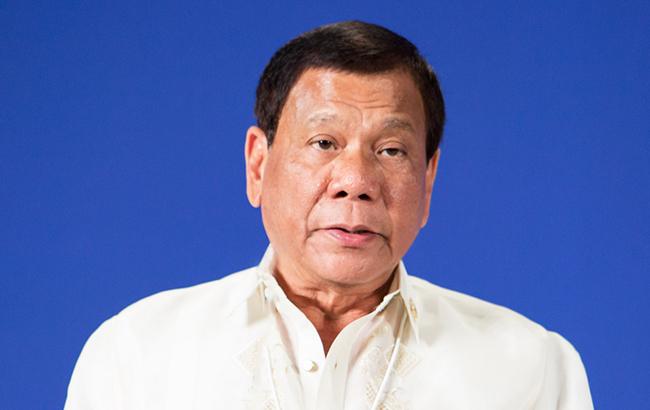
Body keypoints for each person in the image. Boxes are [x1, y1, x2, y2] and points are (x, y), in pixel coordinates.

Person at [65, 21, 593, 410]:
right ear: (258, 164)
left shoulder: (530, 368)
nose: (356, 181)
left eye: (391, 150)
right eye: (323, 142)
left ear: (428, 179)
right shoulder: (137, 355)